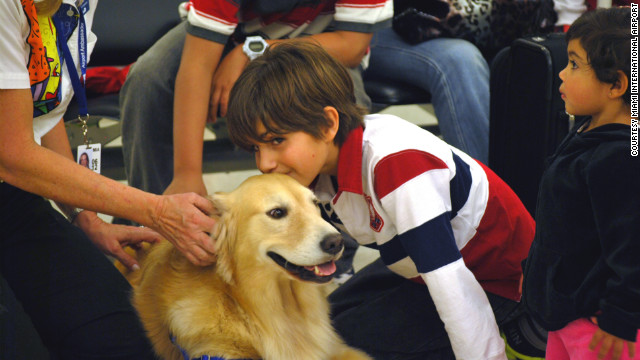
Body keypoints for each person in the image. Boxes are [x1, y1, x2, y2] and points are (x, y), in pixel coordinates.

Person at [225, 40, 540, 359]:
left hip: (498, 283)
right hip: (413, 265)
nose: (264, 163)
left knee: (339, 344)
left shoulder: (397, 165)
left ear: (328, 124)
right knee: (322, 322)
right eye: (255, 148)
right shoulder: (317, 166)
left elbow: (450, 282)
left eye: (277, 140)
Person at [0, 0, 217, 357]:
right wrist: (158, 210)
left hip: (11, 199)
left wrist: (84, 217)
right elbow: (12, 153)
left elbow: (43, 109)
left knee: (126, 341)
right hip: (12, 171)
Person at [120, 0, 393, 198]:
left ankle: (339, 244)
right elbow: (197, 66)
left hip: (323, 40)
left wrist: (255, 50)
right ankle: (151, 221)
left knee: (347, 101)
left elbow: (352, 45)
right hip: (231, 33)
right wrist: (186, 174)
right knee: (148, 78)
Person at [522, 7, 639, 360]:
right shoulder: (589, 129)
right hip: (565, 314)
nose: (561, 72)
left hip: (601, 331)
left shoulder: (620, 159)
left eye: (574, 64)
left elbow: (633, 247)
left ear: (616, 84)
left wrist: (621, 317)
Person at [365, 0, 491, 163]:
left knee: (523, 55)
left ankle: (520, 181)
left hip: (478, 20)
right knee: (458, 61)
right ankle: (482, 184)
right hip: (368, 23)